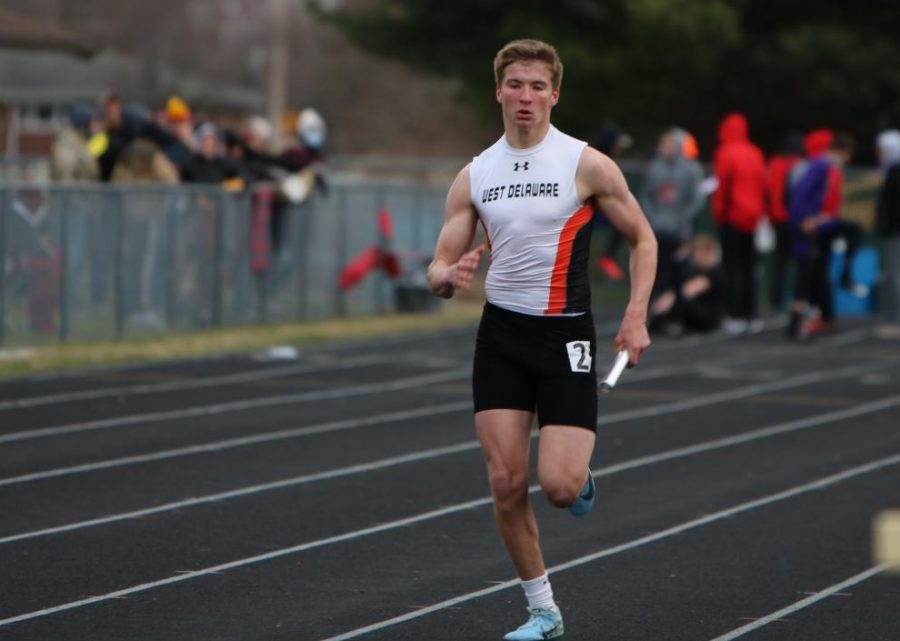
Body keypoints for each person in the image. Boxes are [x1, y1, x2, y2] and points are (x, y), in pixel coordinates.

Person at [427, 39, 656, 641]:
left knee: (556, 487)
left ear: (554, 94)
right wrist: (447, 279)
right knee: (505, 481)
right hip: (501, 335)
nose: (525, 96)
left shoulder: (586, 163)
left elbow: (643, 239)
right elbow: (438, 263)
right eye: (515, 85)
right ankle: (543, 613)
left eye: (537, 86)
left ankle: (578, 477)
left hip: (565, 338)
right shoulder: (476, 173)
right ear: (498, 91)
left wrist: (634, 316)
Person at [786, 130, 855, 339]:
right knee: (807, 274)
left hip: (820, 227)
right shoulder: (821, 165)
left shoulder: (828, 168)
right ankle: (798, 321)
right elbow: (801, 192)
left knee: (815, 274)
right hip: (810, 229)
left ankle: (815, 317)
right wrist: (806, 218)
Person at [711, 112, 767, 333]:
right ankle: (750, 314)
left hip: (733, 216)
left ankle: (734, 313)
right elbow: (764, 185)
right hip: (753, 217)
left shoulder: (725, 152)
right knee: (748, 267)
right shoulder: (755, 152)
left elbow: (723, 186)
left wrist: (719, 213)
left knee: (731, 267)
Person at [641, 127, 705, 310]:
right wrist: (653, 218)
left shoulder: (691, 169)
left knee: (678, 273)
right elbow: (647, 196)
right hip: (658, 230)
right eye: (663, 144)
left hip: (680, 232)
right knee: (656, 272)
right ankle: (654, 312)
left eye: (669, 144)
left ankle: (676, 312)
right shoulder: (654, 167)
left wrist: (683, 218)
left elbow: (697, 198)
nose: (666, 148)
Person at [649, 233, 725, 335]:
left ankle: (673, 323)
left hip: (708, 318)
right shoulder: (694, 271)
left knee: (681, 300)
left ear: (707, 252)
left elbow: (689, 290)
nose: (695, 256)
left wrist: (671, 297)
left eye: (698, 252)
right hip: (694, 316)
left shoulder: (715, 272)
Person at [589, 121, 633, 281]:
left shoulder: (611, 162)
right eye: (617, 144)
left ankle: (608, 258)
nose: (620, 148)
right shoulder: (594, 160)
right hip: (587, 212)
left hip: (602, 212)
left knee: (628, 221)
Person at [766, 131, 804, 310]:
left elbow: (771, 192)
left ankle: (777, 300)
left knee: (781, 262)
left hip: (780, 219)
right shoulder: (799, 164)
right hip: (795, 220)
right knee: (799, 263)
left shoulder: (776, 163)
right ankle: (797, 300)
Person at [876, 129, 900, 323]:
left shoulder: (895, 172)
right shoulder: (891, 170)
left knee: (896, 275)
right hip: (892, 231)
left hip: (894, 232)